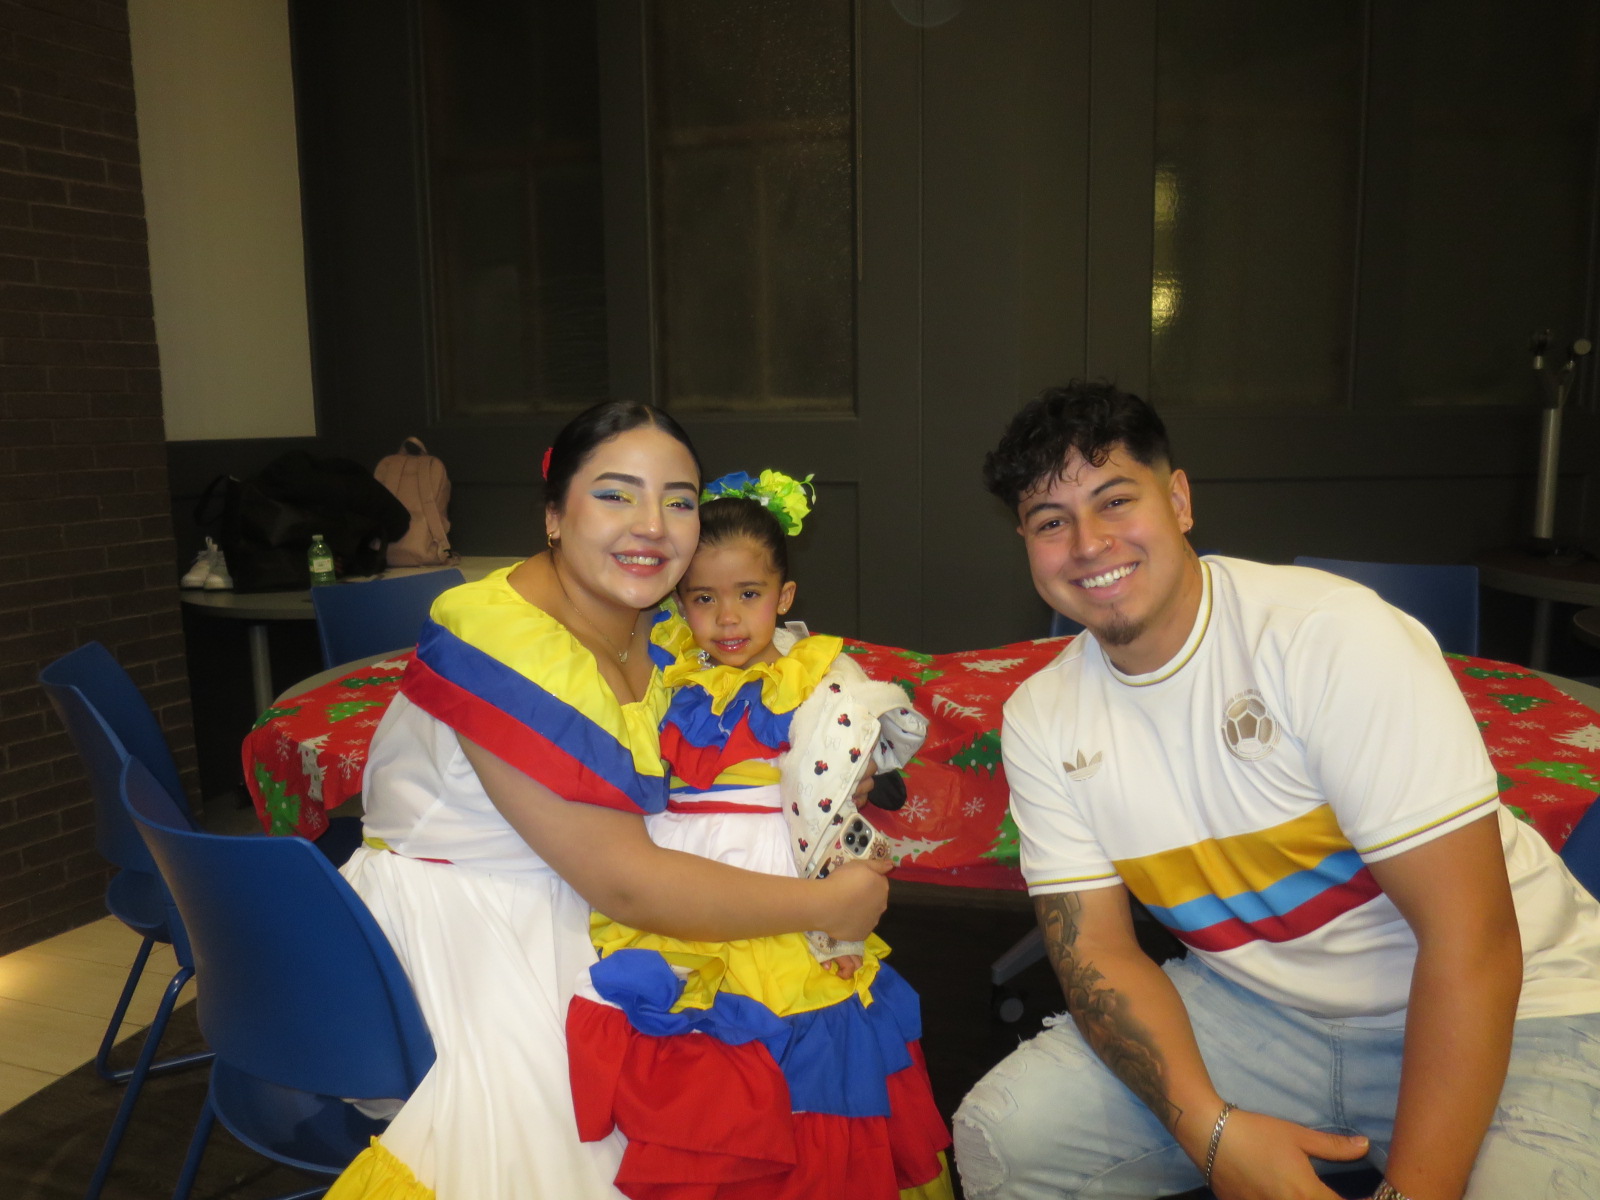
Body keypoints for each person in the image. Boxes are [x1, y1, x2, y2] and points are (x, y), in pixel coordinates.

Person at [951, 381, 1600, 1200]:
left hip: (1521, 1004)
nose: (1088, 543)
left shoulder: (1326, 637)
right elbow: (1098, 956)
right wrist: (1211, 1133)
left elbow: (1472, 940)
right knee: (1003, 1141)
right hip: (1262, 1008)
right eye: (1051, 522)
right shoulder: (1042, 716)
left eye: (1115, 500)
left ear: (1178, 500)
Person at [324, 404, 892, 1200]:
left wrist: (818, 766)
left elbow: (728, 726)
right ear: (554, 515)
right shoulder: (503, 641)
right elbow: (626, 881)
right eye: (616, 494)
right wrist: (827, 905)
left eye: (678, 500)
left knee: (756, 1072)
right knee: (634, 1136)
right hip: (472, 929)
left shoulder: (655, 623)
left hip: (591, 897)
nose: (652, 525)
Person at [566, 471, 954, 1200]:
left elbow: (855, 769)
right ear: (677, 599)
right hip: (679, 877)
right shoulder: (663, 673)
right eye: (703, 598)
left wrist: (862, 779)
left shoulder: (817, 677)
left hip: (785, 874)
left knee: (807, 1044)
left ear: (785, 596)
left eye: (748, 594)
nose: (727, 618)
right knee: (697, 1051)